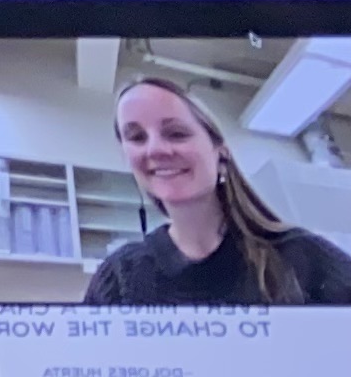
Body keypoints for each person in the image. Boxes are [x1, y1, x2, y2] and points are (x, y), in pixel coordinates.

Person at [83, 76, 351, 306]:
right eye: (136, 137)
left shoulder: (301, 256)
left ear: (220, 153)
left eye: (176, 133)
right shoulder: (118, 279)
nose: (154, 149)